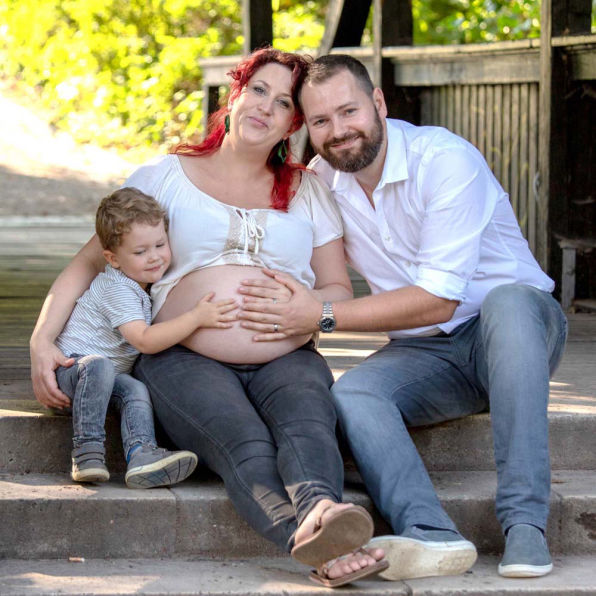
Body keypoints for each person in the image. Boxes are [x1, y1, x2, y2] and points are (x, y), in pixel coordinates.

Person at [29, 48, 387, 588]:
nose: (265, 107)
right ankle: (311, 542)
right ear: (235, 94)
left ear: (293, 123)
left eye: (284, 102)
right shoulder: (164, 176)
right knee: (244, 441)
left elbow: (337, 287)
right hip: (181, 356)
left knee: (308, 427)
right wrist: (42, 340)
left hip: (288, 351)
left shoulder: (308, 190)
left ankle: (322, 511)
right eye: (258, 90)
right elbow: (88, 264)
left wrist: (308, 309)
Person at [237, 54, 568, 580]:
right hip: (427, 354)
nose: (338, 131)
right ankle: (429, 532)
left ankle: (525, 523)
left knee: (507, 301)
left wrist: (321, 314)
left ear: (379, 102)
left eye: (349, 111)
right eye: (320, 121)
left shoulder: (444, 160)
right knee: (352, 393)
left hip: (515, 334)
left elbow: (440, 299)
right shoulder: (320, 182)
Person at [55, 187, 236, 488]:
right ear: (113, 259)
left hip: (107, 379)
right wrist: (196, 317)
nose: (154, 257)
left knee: (134, 389)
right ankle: (87, 453)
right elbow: (144, 340)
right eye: (140, 252)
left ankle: (142, 455)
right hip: (72, 373)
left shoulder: (140, 284)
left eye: (160, 245)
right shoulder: (118, 288)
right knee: (99, 365)